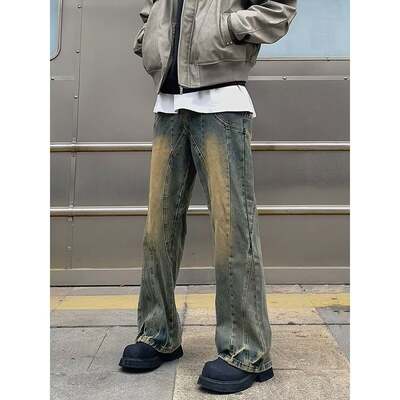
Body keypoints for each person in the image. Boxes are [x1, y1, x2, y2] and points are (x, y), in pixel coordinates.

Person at [119, 0, 297, 394]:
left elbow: (278, 9)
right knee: (157, 230)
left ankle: (246, 350)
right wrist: (151, 38)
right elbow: (152, 9)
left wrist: (225, 28)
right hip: (168, 104)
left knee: (232, 229)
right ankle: (158, 333)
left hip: (222, 103)